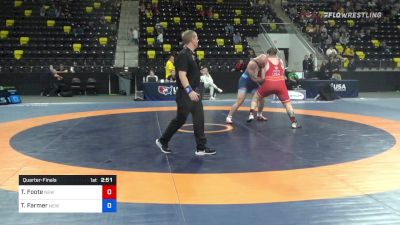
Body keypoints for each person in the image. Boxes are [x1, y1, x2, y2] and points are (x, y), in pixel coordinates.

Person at [156, 30, 216, 156]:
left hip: (194, 93)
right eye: (197, 38)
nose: (198, 40)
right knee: (180, 120)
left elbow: (189, 73)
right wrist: (189, 91)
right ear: (192, 40)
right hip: (186, 94)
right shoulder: (184, 54)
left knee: (199, 119)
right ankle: (162, 141)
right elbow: (181, 75)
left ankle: (201, 148)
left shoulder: (192, 55)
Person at [248, 48, 301, 129]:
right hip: (280, 84)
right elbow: (282, 72)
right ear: (276, 53)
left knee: (256, 97)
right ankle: (294, 122)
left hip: (269, 83)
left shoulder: (265, 61)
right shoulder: (280, 61)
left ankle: (251, 114)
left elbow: (263, 77)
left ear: (268, 54)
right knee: (287, 104)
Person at [226, 54, 268, 125]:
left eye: (264, 64)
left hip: (254, 82)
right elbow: (254, 79)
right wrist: (264, 79)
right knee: (240, 100)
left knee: (262, 98)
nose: (263, 65)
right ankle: (229, 117)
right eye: (262, 64)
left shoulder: (262, 63)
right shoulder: (252, 64)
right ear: (259, 61)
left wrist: (263, 76)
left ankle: (259, 115)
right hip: (245, 81)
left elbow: (261, 77)